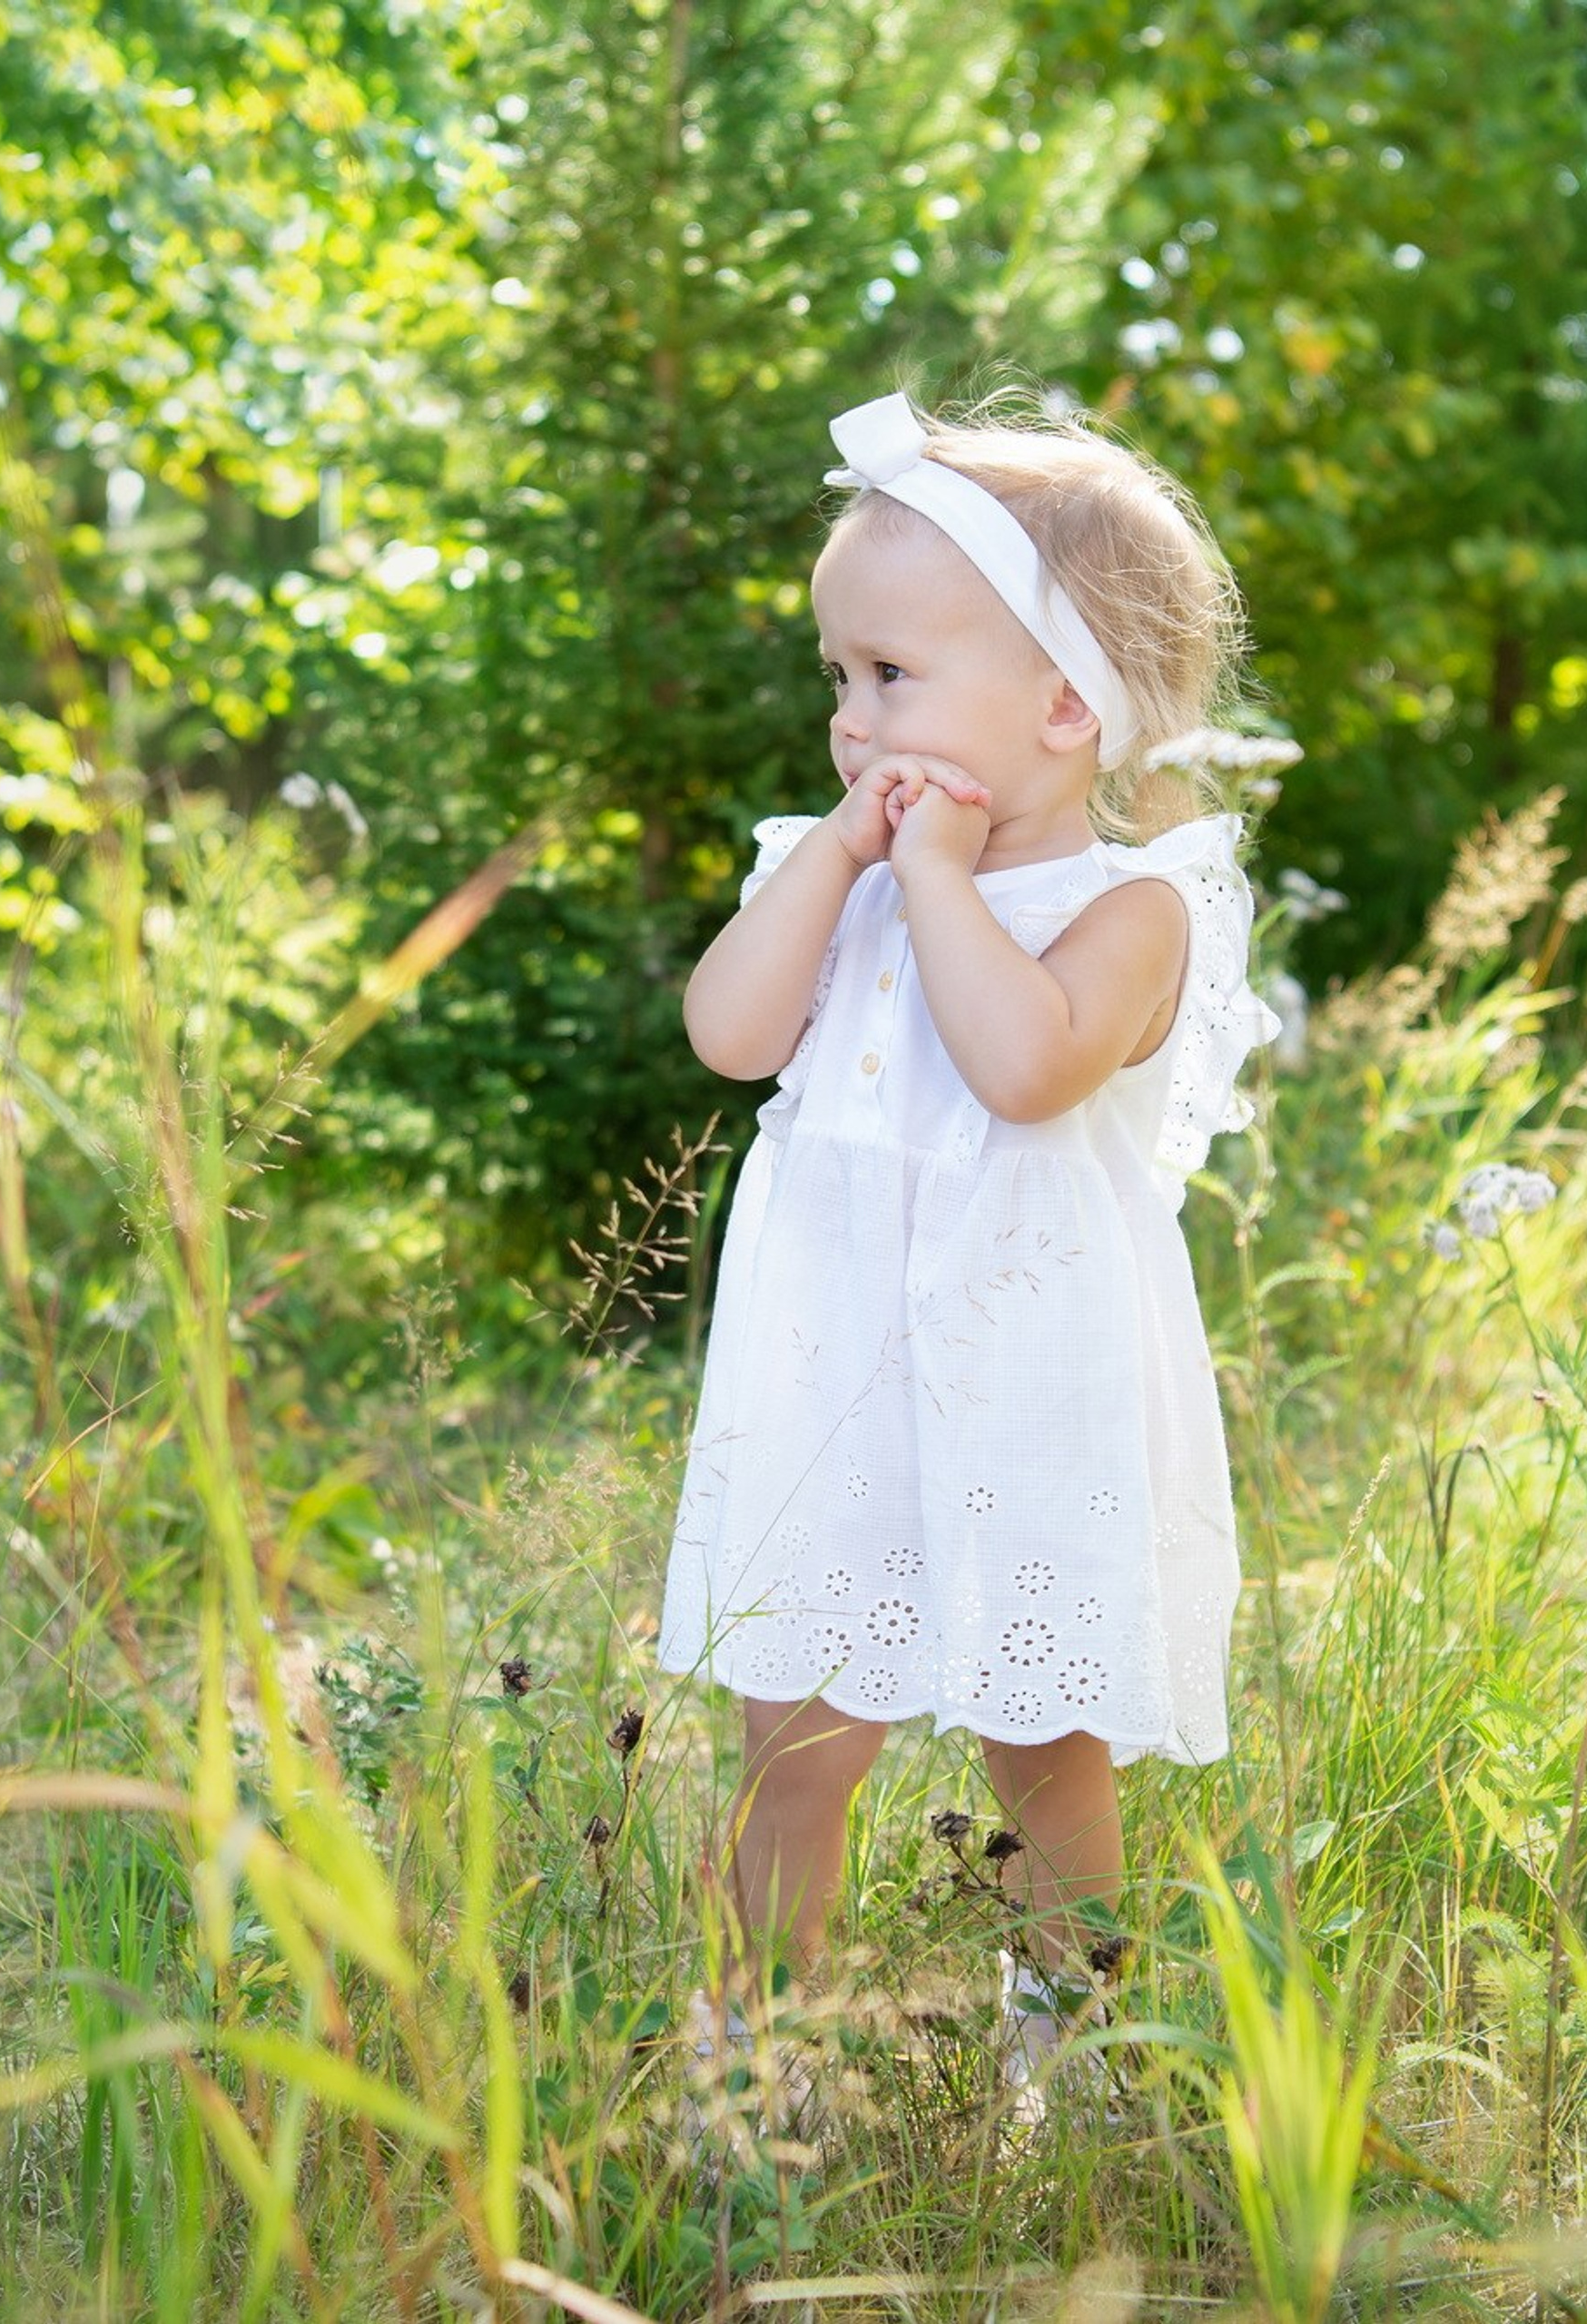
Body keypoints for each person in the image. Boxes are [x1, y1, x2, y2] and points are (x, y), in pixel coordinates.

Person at [656, 385, 1278, 2107]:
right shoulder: (834, 869)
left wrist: (930, 876)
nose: (853, 725)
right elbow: (729, 1032)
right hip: (831, 1368)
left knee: (1043, 1742)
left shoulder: (1137, 909)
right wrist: (854, 861)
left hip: (1030, 1383)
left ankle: (1066, 2068)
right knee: (797, 1731)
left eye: (894, 679)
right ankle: (749, 2064)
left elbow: (1021, 1068)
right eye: (838, 680)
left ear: (1068, 703)